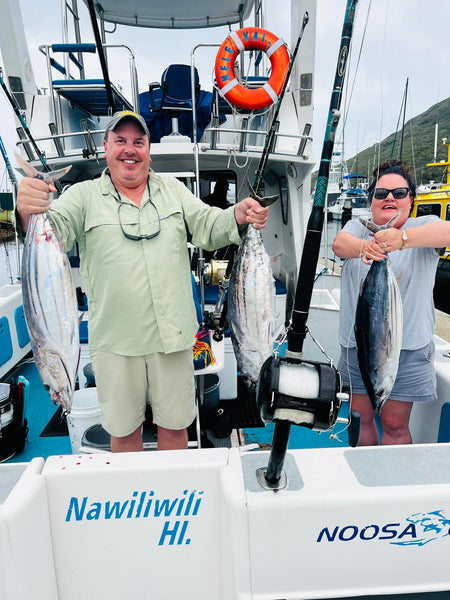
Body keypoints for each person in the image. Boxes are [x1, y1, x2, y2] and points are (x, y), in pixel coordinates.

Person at [16, 110, 269, 452]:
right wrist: (29, 210)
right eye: (120, 141)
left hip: (174, 335)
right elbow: (53, 230)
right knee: (123, 432)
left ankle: (174, 498)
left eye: (138, 141)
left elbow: (208, 225)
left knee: (177, 426)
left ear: (148, 149)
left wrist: (237, 215)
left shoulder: (173, 191)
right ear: (106, 148)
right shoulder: (82, 196)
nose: (129, 150)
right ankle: (132, 493)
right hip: (116, 341)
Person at [332, 159, 450, 446]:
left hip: (407, 348)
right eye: (381, 193)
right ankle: (363, 472)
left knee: (396, 424)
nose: (389, 198)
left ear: (410, 199)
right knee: (359, 417)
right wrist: (366, 246)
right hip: (359, 344)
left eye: (399, 193)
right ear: (371, 199)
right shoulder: (358, 228)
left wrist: (402, 238)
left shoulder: (424, 225)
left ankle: (389, 478)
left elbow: (447, 231)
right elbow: (338, 244)